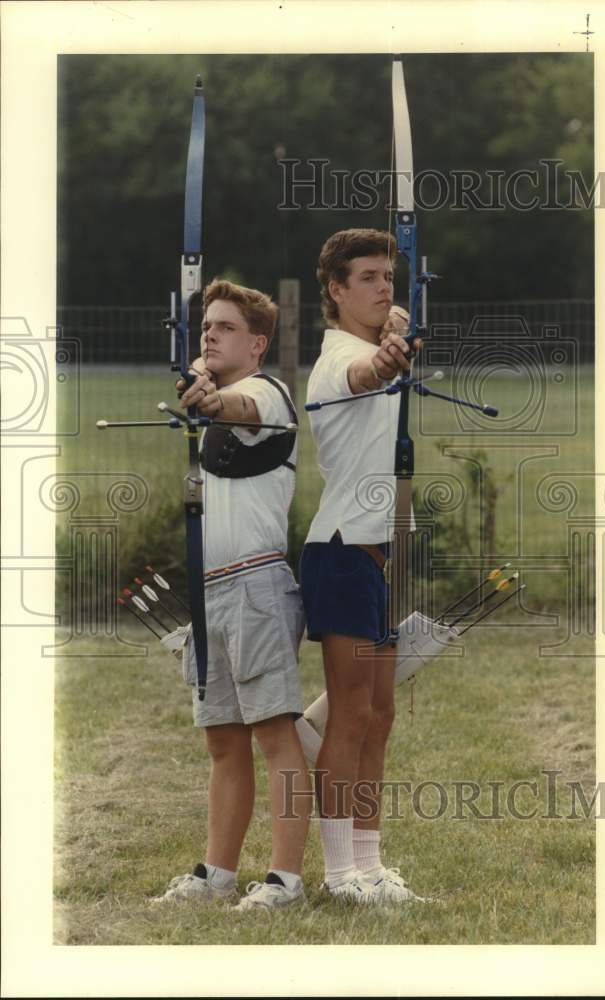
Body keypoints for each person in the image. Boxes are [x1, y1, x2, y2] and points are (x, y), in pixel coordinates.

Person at [152, 278, 311, 912]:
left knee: (275, 734)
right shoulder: (215, 396)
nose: (210, 334)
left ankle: (284, 880)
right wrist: (198, 383)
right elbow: (212, 403)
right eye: (204, 327)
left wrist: (206, 394)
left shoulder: (266, 394)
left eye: (224, 327)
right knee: (222, 740)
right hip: (208, 591)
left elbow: (237, 410)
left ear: (257, 343)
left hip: (255, 585)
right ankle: (217, 872)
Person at [299, 228, 425, 903]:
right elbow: (365, 375)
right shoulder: (339, 360)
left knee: (380, 716)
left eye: (389, 277)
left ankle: (372, 868)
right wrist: (389, 356)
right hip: (341, 553)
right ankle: (340, 874)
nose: (383, 288)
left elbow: (388, 357)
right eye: (368, 278)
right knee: (348, 716)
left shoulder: (378, 341)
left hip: (377, 558)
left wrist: (396, 337)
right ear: (336, 291)